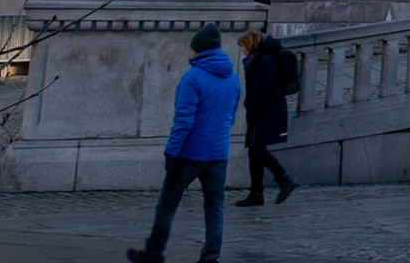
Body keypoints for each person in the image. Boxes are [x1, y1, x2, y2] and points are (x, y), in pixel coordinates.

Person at [128, 23, 242, 263]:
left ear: (198, 50)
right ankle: (211, 256)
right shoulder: (233, 77)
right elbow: (230, 115)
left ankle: (154, 252)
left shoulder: (192, 78)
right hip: (218, 153)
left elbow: (183, 121)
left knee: (167, 205)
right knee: (215, 207)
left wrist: (172, 151)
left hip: (189, 153)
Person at [235, 30, 298, 207]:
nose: (241, 50)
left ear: (250, 44)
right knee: (255, 151)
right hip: (264, 109)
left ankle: (284, 180)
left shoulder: (265, 59)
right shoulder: (261, 57)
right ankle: (257, 192)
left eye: (242, 46)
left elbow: (261, 88)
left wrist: (251, 106)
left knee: (257, 150)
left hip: (267, 110)